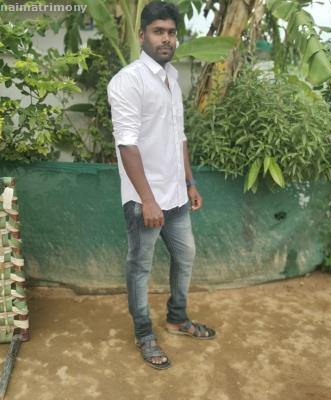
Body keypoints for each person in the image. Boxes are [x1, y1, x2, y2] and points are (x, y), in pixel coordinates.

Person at [107, 0, 216, 370]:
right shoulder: (128, 81)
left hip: (176, 195)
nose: (166, 38)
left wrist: (190, 182)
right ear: (142, 35)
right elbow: (127, 145)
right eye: (158, 31)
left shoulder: (172, 80)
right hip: (145, 201)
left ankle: (177, 317)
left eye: (171, 32)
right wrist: (148, 200)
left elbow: (179, 136)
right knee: (140, 266)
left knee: (185, 256)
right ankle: (144, 333)